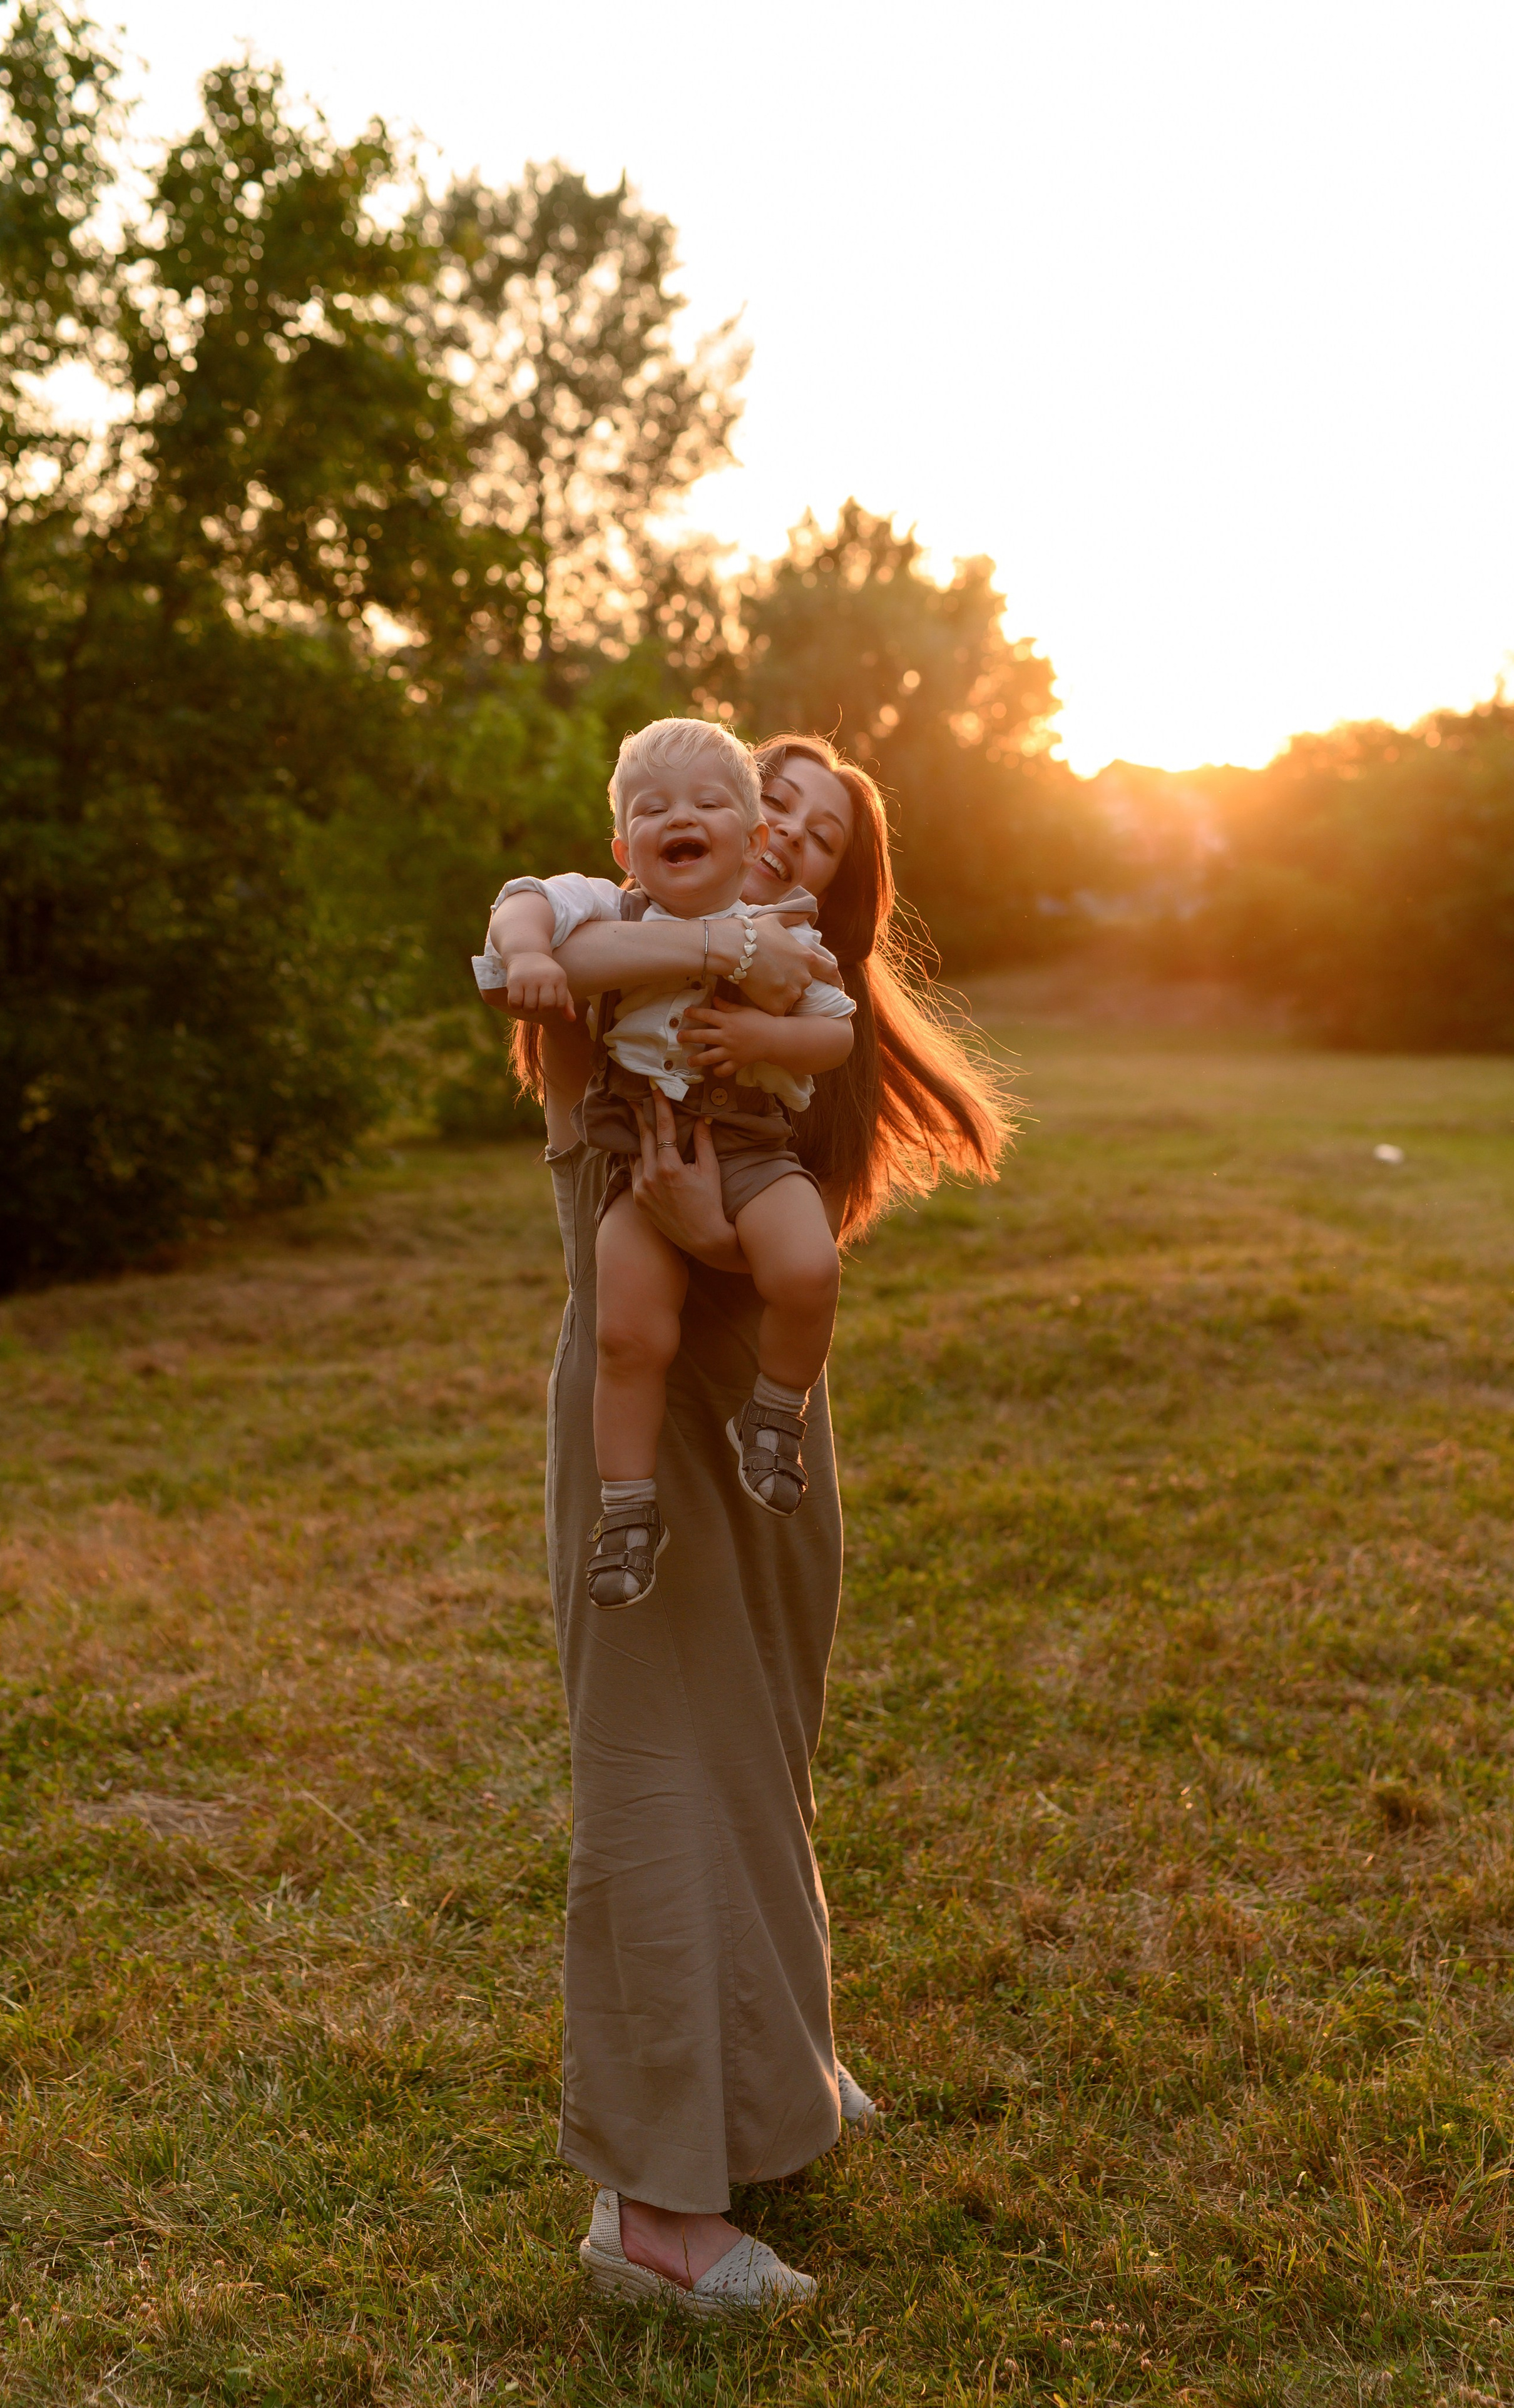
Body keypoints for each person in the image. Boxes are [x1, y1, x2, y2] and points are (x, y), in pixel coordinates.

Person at [484, 733, 1010, 2313]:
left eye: (821, 833)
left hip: (770, 1446)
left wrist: (728, 1219)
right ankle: (649, 2216)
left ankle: (774, 2078)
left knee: (759, 1757)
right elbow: (549, 924)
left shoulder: (794, 1021)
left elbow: (785, 1234)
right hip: (647, 1436)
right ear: (689, 821)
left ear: (839, 886)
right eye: (765, 800)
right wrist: (538, 914)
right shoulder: (611, 947)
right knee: (659, 1766)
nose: (780, 832)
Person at [480, 720, 856, 1610]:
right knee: (626, 1337)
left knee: (810, 1267)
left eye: (706, 803)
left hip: (752, 1152)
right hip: (634, 1164)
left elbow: (835, 1032)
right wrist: (532, 949)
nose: (679, 817)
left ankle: (775, 1414)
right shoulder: (615, 910)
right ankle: (627, 1511)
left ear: (748, 834)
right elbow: (521, 904)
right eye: (654, 809)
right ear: (625, 846)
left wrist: (765, 1033)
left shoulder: (789, 933)